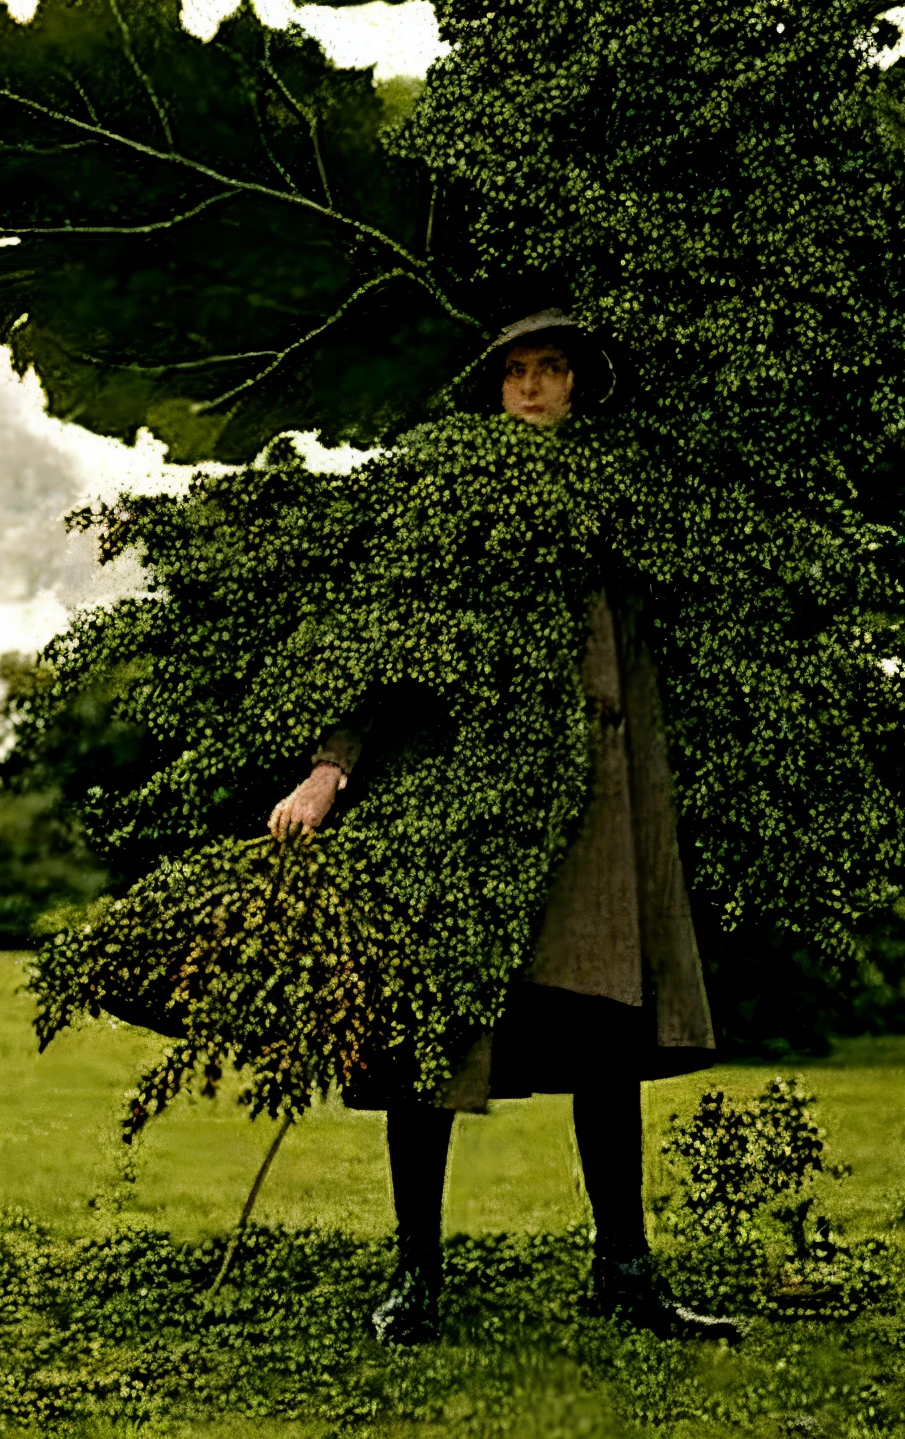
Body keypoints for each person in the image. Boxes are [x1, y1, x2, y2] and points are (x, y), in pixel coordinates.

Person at [267, 310, 736, 1343]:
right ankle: (416, 1273)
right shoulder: (451, 503)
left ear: (577, 385)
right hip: (465, 800)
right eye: (515, 371)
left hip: (597, 809)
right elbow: (390, 637)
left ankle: (626, 1266)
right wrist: (330, 767)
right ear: (494, 389)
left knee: (607, 1034)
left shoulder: (623, 506)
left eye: (551, 369)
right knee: (432, 1029)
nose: (532, 386)